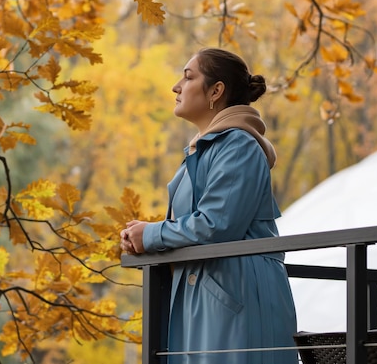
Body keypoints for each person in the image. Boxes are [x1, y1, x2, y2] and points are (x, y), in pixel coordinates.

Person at [120, 48, 298, 364]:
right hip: (203, 294)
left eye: (188, 77)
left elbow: (217, 223)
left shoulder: (239, 145)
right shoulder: (204, 149)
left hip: (234, 295)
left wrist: (151, 235)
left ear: (216, 91)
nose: (176, 87)